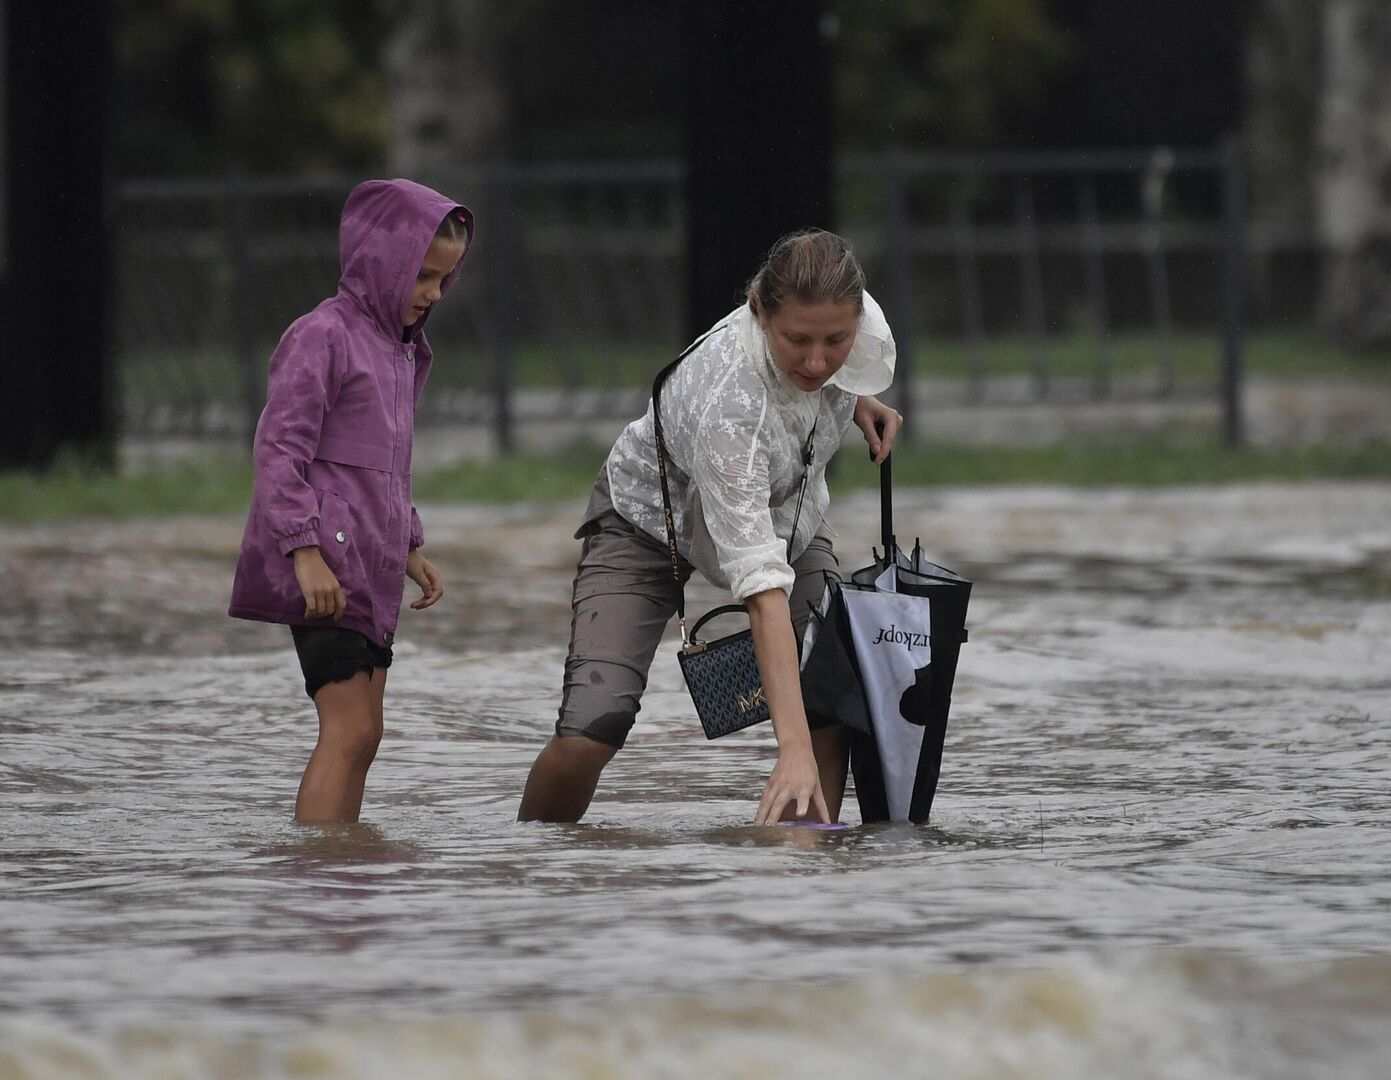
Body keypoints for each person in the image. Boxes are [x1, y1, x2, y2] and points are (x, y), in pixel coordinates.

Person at [516, 228, 902, 827]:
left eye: (837, 342)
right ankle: (531, 861)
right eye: (797, 341)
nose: (819, 361)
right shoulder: (728, 401)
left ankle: (804, 878)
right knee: (595, 726)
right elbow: (763, 593)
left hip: (784, 514)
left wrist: (855, 401)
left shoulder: (848, 324)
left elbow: (829, 366)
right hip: (647, 525)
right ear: (759, 311)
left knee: (831, 705)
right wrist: (788, 751)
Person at [228, 179, 473, 824]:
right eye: (422, 275)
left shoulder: (404, 352)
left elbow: (384, 468)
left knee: (366, 733)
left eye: (444, 281)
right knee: (346, 729)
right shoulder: (322, 336)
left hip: (371, 570)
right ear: (380, 260)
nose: (432, 294)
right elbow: (279, 452)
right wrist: (304, 552)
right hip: (322, 569)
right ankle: (318, 864)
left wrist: (409, 545)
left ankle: (345, 863)